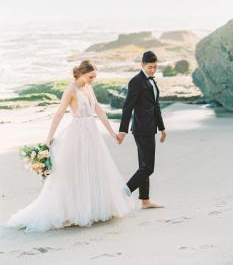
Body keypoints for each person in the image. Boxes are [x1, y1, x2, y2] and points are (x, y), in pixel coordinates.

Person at [6, 60, 134, 232]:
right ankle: (74, 211)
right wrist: (48, 139)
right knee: (74, 172)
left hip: (92, 133)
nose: (92, 80)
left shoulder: (89, 88)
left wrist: (112, 132)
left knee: (93, 169)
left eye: (94, 77)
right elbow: (59, 114)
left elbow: (98, 110)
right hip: (77, 134)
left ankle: (92, 208)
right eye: (91, 77)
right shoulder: (71, 90)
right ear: (81, 73)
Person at [118, 51, 167, 209]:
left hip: (150, 128)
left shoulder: (152, 82)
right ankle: (123, 192)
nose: (152, 70)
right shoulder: (136, 82)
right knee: (148, 168)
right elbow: (128, 107)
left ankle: (145, 200)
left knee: (143, 166)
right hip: (141, 129)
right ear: (142, 65)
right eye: (149, 67)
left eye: (154, 67)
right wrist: (122, 130)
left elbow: (155, 106)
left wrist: (162, 127)